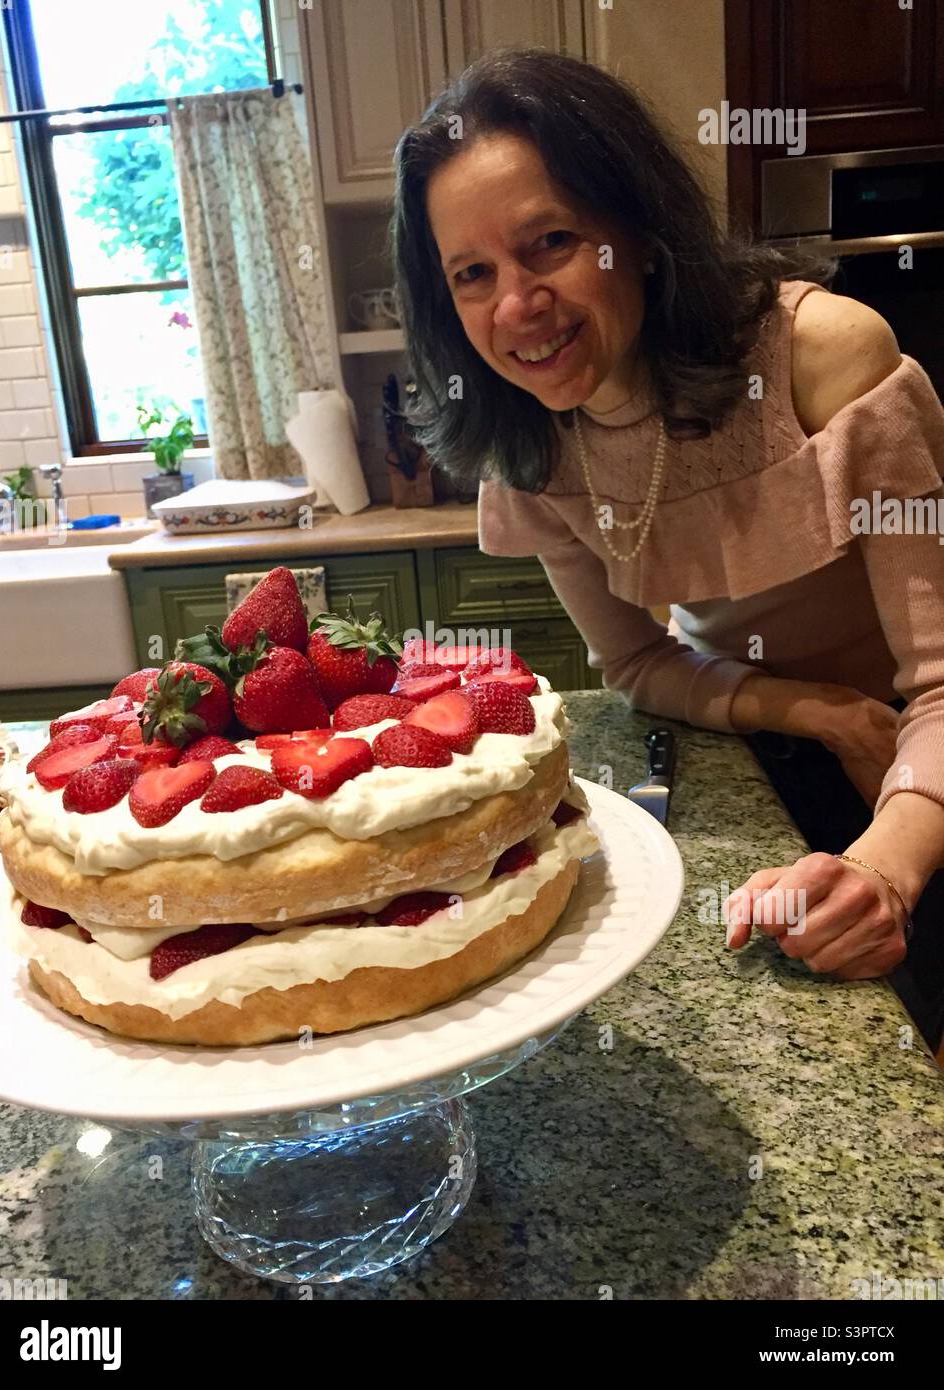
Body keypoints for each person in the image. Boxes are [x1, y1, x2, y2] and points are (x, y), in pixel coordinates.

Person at [390, 48, 944, 1050]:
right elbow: (640, 662)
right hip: (770, 752)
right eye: (472, 274)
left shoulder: (821, 361)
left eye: (549, 243)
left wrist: (883, 864)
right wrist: (811, 709)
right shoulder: (527, 447)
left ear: (637, 232)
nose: (515, 305)